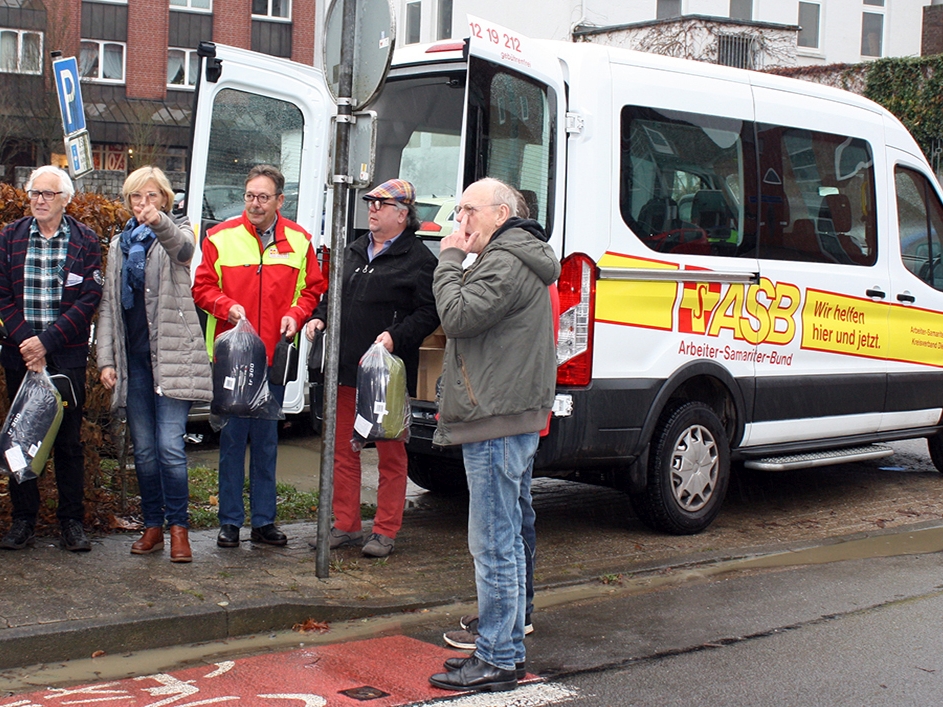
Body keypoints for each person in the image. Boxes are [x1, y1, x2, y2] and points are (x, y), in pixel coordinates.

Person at [428, 178, 560, 693]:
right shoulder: (514, 256)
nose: (459, 221)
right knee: (503, 535)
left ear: (500, 213)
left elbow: (457, 316)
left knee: (493, 543)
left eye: (467, 211)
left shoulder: (505, 261)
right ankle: (499, 649)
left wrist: (447, 260)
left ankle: (500, 657)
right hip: (505, 416)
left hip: (497, 420)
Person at [305, 178, 439, 558]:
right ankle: (345, 525)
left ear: (403, 214)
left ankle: (385, 530)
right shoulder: (354, 250)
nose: (373, 209)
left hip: (387, 378)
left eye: (381, 204)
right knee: (343, 451)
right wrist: (319, 318)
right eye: (371, 202)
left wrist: (396, 336)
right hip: (347, 370)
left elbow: (429, 313)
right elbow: (333, 295)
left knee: (391, 456)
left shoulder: (419, 260)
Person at [193, 164, 324, 548]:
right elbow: (202, 288)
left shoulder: (299, 241)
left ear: (280, 201)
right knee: (233, 439)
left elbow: (312, 290)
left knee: (267, 440)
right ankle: (230, 522)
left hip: (275, 355)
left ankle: (264, 521)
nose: (254, 203)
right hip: (233, 359)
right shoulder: (220, 237)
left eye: (263, 197)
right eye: (250, 195)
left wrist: (296, 315)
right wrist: (225, 306)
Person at [97, 166, 212, 563]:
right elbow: (110, 306)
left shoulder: (179, 231)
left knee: (169, 448)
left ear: (164, 198)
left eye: (150, 196)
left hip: (174, 359)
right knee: (144, 451)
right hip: (136, 363)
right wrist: (106, 359)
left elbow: (182, 250)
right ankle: (153, 526)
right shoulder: (119, 245)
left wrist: (159, 221)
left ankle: (180, 529)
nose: (142, 204)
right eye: (135, 198)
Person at [0, 166, 103, 552]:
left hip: (66, 357)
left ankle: (71, 522)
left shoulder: (85, 239)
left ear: (65, 200)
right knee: (22, 437)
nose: (39, 200)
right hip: (21, 357)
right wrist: (28, 342)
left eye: (47, 194)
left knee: (68, 442)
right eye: (33, 193)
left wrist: (47, 342)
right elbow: (2, 295)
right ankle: (23, 520)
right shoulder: (9, 238)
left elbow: (88, 301)